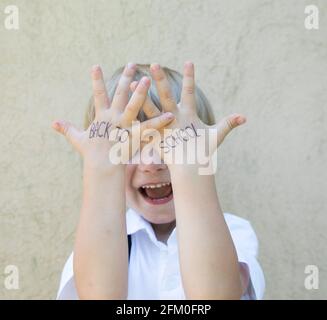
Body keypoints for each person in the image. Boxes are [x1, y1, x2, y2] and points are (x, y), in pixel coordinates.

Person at [53, 62, 265, 300]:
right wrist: (102, 172)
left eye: (168, 143)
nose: (151, 162)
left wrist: (192, 170)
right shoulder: (91, 243)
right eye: (130, 146)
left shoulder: (235, 231)